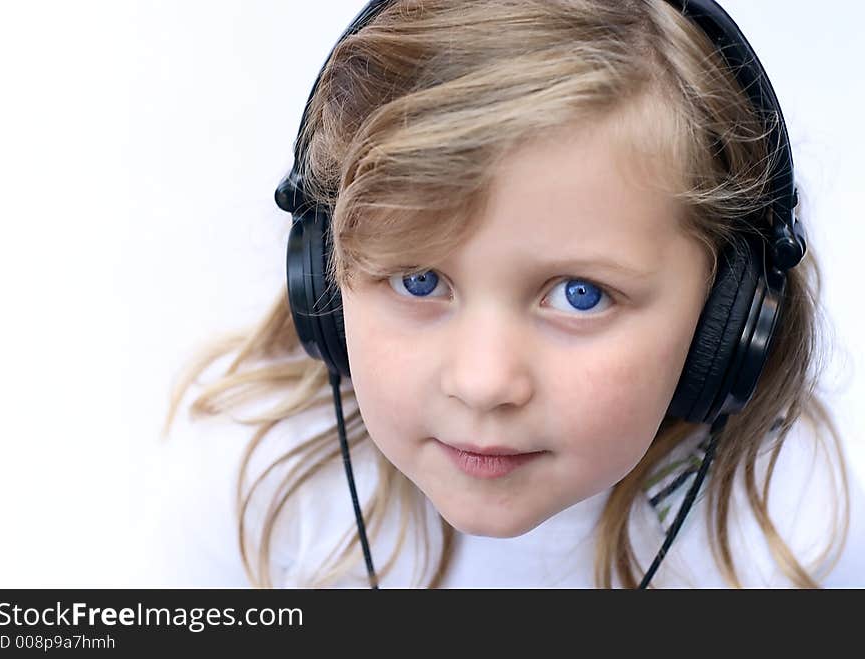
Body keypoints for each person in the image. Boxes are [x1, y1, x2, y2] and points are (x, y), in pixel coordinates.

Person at [162, 0, 864, 588]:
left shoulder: (797, 524)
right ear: (326, 274)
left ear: (728, 314)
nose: (484, 382)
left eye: (581, 295)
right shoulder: (251, 480)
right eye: (419, 281)